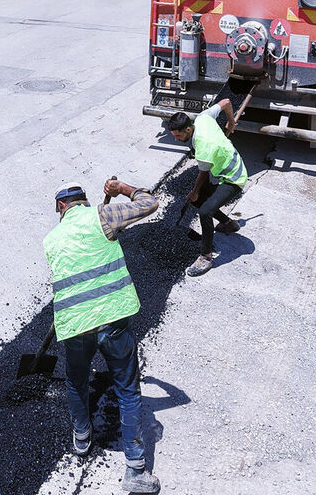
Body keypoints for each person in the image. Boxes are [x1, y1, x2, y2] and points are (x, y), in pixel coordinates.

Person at [43, 179, 161, 494]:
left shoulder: (51, 240)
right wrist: (122, 187)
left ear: (60, 207)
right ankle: (135, 471)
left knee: (76, 382)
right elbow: (150, 203)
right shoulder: (103, 217)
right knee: (127, 389)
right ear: (83, 201)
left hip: (75, 324)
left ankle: (82, 438)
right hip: (112, 319)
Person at [165, 99, 247, 277]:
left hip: (233, 177)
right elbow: (226, 102)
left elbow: (202, 175)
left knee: (204, 211)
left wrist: (194, 192)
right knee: (201, 200)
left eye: (178, 136)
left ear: (188, 129)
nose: (176, 139)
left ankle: (206, 257)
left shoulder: (203, 147)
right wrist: (231, 122)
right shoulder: (202, 118)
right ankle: (228, 224)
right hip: (223, 167)